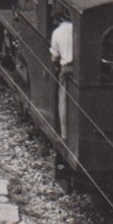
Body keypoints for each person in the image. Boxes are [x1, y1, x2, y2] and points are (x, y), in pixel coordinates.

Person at [50, 12, 74, 140]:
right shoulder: (76, 29)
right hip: (80, 67)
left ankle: (64, 134)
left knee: (63, 99)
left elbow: (54, 57)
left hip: (66, 68)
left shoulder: (57, 32)